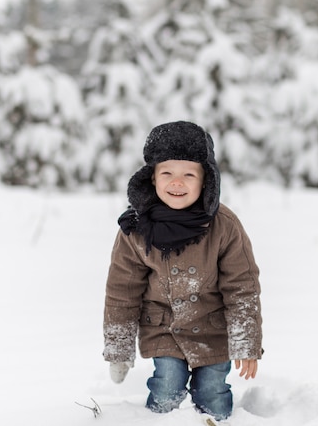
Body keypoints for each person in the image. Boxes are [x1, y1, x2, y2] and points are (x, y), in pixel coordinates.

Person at [103, 121, 263, 421]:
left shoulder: (224, 226)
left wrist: (246, 342)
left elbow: (242, 288)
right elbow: (122, 292)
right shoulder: (135, 230)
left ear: (206, 181)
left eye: (189, 174)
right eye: (167, 173)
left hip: (213, 330)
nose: (177, 183)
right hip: (164, 329)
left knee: (212, 393)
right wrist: (119, 348)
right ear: (152, 178)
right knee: (166, 387)